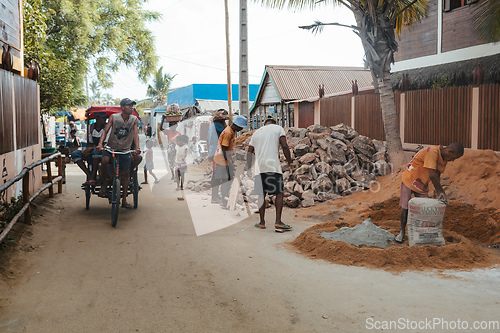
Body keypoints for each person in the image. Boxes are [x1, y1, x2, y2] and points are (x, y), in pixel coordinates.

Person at [395, 142, 464, 243]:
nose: (452, 160)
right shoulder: (432, 152)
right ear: (450, 151)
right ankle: (402, 233)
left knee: (423, 208)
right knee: (405, 207)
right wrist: (442, 193)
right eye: (454, 157)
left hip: (422, 184)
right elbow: (432, 175)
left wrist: (438, 191)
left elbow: (437, 175)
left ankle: (419, 234)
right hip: (409, 179)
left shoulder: (443, 159)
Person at [246, 115, 293, 231]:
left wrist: (248, 168)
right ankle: (278, 222)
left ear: (265, 124)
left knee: (261, 195)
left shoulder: (256, 133)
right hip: (273, 167)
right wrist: (290, 162)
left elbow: (249, 152)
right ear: (274, 122)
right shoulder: (278, 128)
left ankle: (261, 222)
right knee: (279, 193)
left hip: (259, 168)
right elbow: (285, 146)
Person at [97, 98, 141, 209]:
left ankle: (124, 199)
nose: (131, 108)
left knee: (126, 174)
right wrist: (100, 144)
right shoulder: (114, 118)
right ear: (122, 107)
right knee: (104, 160)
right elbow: (106, 131)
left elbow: (135, 134)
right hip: (111, 148)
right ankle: (105, 184)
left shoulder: (134, 119)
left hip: (125, 149)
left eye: (132, 106)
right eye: (129, 105)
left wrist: (137, 148)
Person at [213, 115, 247, 207]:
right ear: (237, 125)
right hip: (221, 159)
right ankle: (224, 202)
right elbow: (224, 148)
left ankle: (225, 199)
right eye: (241, 127)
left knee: (228, 179)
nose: (241, 129)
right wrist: (229, 162)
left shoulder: (231, 131)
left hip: (223, 158)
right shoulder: (228, 133)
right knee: (226, 180)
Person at [71, 112, 108, 185]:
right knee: (75, 154)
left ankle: (93, 176)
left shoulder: (107, 128)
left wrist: (91, 148)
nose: (105, 119)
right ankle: (89, 174)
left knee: (95, 152)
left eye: (105, 118)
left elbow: (106, 143)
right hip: (93, 148)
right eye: (103, 117)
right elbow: (89, 142)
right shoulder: (90, 127)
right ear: (97, 118)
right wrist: (88, 150)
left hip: (104, 150)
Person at [208, 109, 229, 203]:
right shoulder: (218, 126)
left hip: (214, 152)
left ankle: (216, 196)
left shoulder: (214, 125)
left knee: (216, 174)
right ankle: (214, 197)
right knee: (217, 175)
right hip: (218, 153)